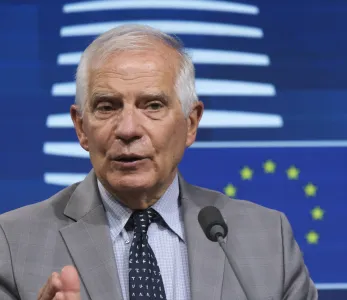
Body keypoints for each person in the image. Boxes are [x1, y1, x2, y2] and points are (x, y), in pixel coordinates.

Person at [0, 24, 318, 300]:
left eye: (152, 105)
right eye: (107, 107)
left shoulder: (266, 238)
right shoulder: (12, 245)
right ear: (82, 128)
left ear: (190, 123)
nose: (128, 129)